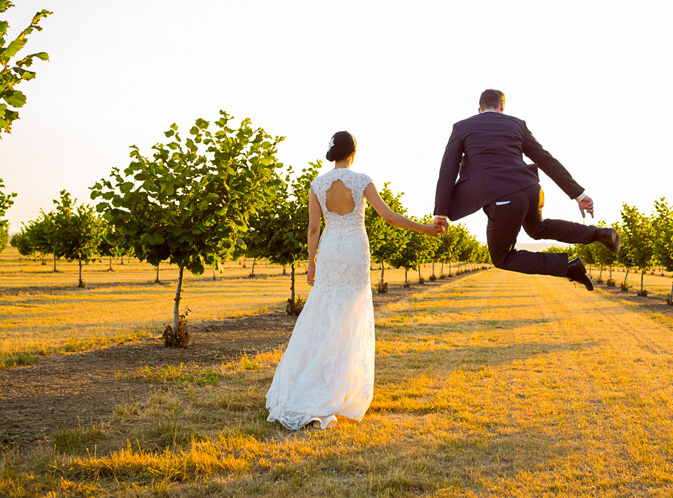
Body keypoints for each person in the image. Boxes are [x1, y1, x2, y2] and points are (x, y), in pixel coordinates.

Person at [265, 131, 440, 430]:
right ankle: (337, 387)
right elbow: (388, 216)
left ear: (333, 152)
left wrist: (311, 264)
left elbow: (312, 229)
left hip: (331, 250)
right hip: (355, 251)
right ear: (354, 154)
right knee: (351, 314)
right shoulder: (362, 180)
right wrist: (424, 229)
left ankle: (312, 380)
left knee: (323, 311)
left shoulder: (316, 184)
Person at [433, 89, 620, 291]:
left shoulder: (462, 127)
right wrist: (578, 194)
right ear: (502, 106)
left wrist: (441, 212)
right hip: (531, 190)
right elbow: (545, 159)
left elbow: (448, 170)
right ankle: (600, 234)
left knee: (502, 257)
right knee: (537, 229)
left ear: (479, 109)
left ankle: (569, 268)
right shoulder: (517, 125)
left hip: (503, 198)